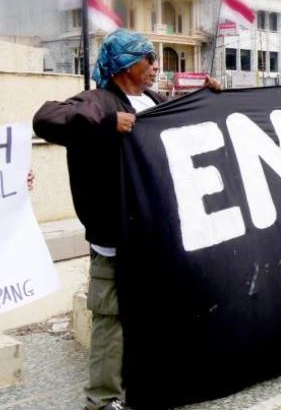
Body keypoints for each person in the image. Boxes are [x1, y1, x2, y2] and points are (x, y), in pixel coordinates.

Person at [33, 29, 221, 410]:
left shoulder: (152, 100)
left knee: (156, 310)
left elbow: (178, 123)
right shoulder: (96, 101)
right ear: (125, 65)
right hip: (115, 236)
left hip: (154, 233)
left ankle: (149, 384)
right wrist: (106, 123)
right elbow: (45, 118)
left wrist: (204, 98)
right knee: (111, 315)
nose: (156, 66)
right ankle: (102, 399)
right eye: (148, 59)